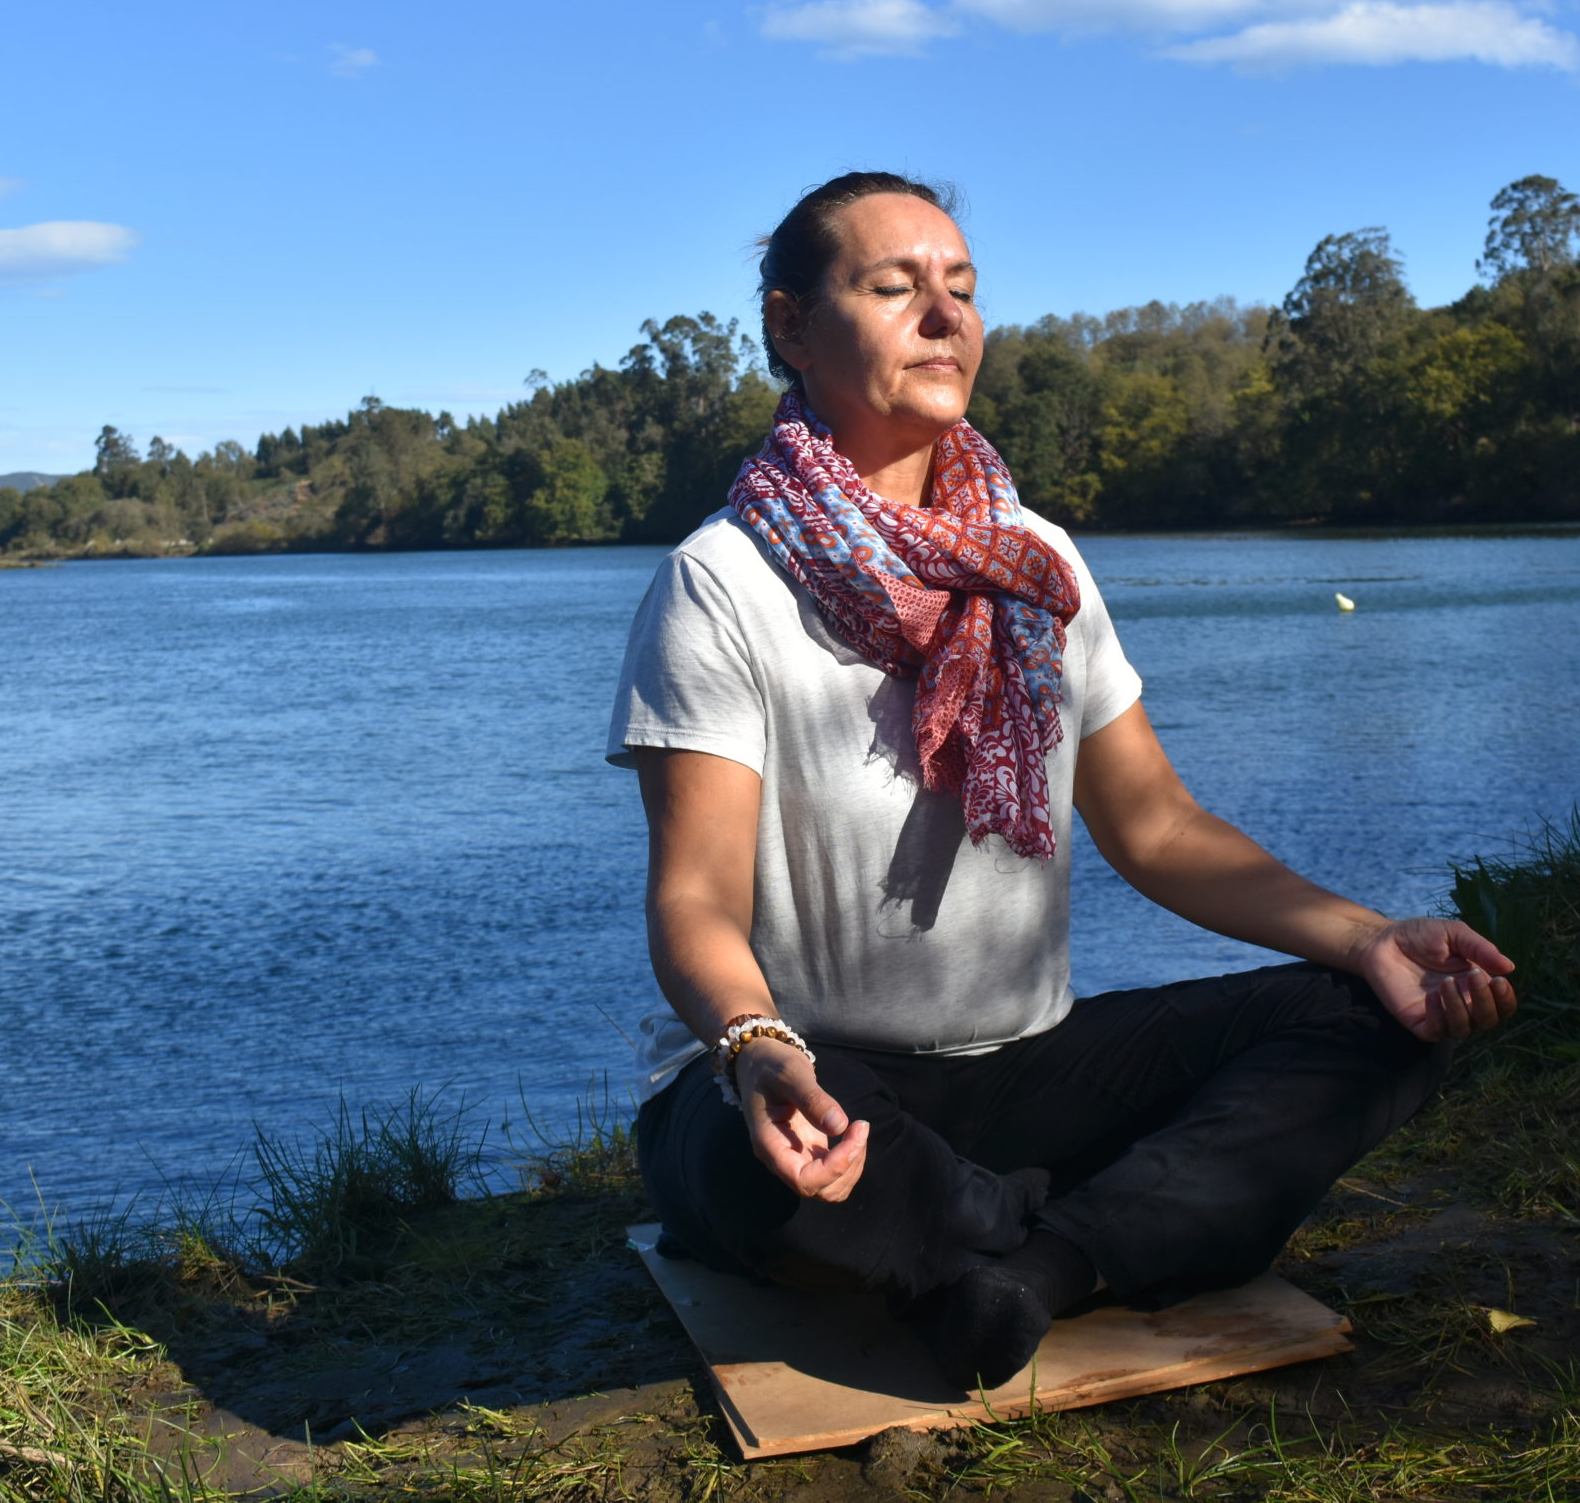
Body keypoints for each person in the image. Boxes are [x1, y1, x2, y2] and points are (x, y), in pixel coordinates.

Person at [608, 172, 1517, 1392]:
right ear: (789, 325)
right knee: (742, 1161)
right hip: (817, 1068)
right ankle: (1074, 1226)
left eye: (963, 290)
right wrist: (759, 1049)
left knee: (1370, 1018)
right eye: (895, 288)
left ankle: (1028, 1266)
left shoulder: (1035, 565)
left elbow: (1158, 827)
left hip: (1023, 1070)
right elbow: (695, 903)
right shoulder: (720, 583)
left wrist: (1370, 939)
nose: (945, 318)